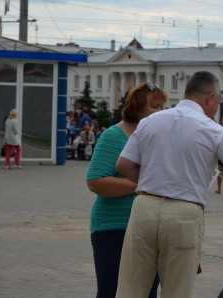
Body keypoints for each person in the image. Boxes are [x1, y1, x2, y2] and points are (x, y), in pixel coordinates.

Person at [115, 71, 223, 298]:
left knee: (130, 289)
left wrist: (154, 178)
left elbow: (123, 165)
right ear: (210, 97)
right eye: (218, 101)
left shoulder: (150, 121)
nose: (216, 109)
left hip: (144, 208)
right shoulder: (214, 130)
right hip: (184, 213)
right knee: (176, 290)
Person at [86, 82, 167, 298]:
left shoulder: (156, 137)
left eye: (162, 106)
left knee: (147, 291)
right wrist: (142, 185)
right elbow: (95, 181)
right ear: (137, 108)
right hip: (113, 227)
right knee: (111, 291)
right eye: (154, 106)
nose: (160, 112)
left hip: (149, 226)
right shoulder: (113, 136)